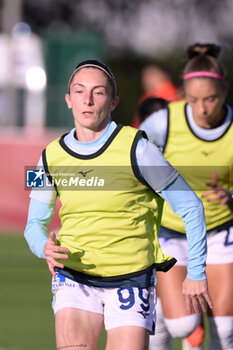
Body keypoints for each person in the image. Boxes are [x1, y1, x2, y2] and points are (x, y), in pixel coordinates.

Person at [24, 59, 213, 350]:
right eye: (79, 91)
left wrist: (197, 273)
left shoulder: (140, 149)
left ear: (113, 102)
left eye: (98, 92)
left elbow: (191, 206)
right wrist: (43, 247)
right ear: (67, 99)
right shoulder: (47, 157)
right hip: (74, 278)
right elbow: (33, 224)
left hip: (131, 281)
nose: (87, 100)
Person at [140, 43, 233, 350]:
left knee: (226, 329)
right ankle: (163, 323)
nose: (202, 109)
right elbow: (131, 161)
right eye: (193, 100)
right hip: (172, 232)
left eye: (210, 99)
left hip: (221, 233)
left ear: (224, 91)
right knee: (182, 325)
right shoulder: (163, 122)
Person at [131, 64, 178, 128]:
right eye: (144, 76)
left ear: (164, 77)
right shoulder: (146, 96)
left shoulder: (174, 96)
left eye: (150, 75)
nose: (145, 79)